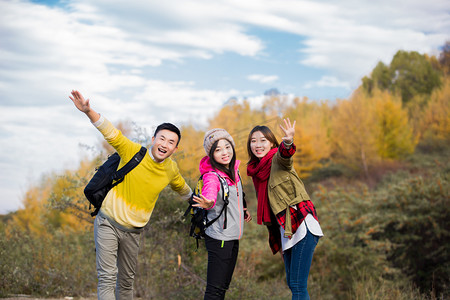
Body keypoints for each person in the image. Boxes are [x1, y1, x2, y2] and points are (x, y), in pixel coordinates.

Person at [69, 90, 192, 300]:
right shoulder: (132, 151)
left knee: (126, 283)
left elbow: (184, 190)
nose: (164, 144)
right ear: (153, 139)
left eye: (171, 142)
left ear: (175, 148)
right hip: (108, 222)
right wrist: (88, 111)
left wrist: (204, 202)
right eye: (161, 138)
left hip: (134, 232)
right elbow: (110, 132)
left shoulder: (171, 169)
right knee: (107, 277)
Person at [246, 119, 323, 300]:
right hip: (284, 229)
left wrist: (288, 141)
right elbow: (270, 212)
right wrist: (280, 244)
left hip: (300, 223)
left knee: (297, 285)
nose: (258, 145)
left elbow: (285, 155)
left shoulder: (276, 159)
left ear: (272, 143)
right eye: (253, 141)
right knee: (292, 283)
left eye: (263, 140)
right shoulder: (256, 172)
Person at [192, 128, 252, 300]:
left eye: (227, 147)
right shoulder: (212, 176)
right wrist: (209, 201)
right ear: (211, 154)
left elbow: (233, 197)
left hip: (231, 236)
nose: (225, 152)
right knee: (215, 290)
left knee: (223, 287)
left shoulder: (234, 170)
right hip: (220, 238)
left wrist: (243, 210)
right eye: (218, 150)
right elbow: (210, 192)